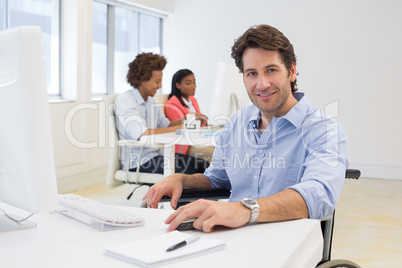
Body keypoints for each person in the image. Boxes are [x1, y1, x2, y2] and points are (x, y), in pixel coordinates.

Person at [144, 25, 348, 233]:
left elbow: (318, 195)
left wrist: (245, 210)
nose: (262, 84)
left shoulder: (323, 130)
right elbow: (217, 178)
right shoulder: (236, 124)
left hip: (287, 242)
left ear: (292, 71)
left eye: (271, 70)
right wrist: (183, 179)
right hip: (230, 238)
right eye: (252, 73)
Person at [114, 53, 209, 175]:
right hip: (139, 162)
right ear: (143, 79)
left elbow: (166, 125)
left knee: (204, 166)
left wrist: (187, 118)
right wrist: (181, 128)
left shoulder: (150, 101)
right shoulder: (126, 100)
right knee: (190, 172)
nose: (160, 86)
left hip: (157, 155)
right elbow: (143, 134)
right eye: (157, 81)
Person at [165, 69, 208, 155]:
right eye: (188, 83)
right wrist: (195, 118)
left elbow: (201, 123)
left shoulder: (192, 100)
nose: (193, 86)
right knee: (214, 153)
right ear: (178, 85)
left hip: (196, 140)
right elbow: (180, 128)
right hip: (184, 146)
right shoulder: (172, 103)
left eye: (194, 82)